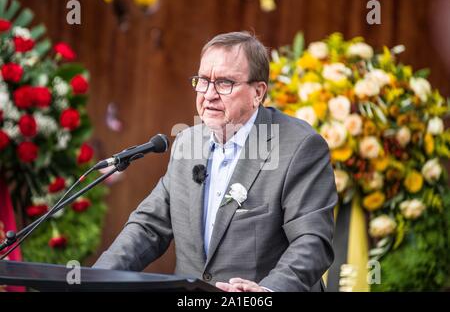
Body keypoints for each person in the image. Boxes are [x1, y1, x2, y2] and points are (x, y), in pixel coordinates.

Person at [94, 31, 337, 292]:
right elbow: (148, 227)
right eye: (202, 81)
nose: (208, 94)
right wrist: (95, 279)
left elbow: (312, 240)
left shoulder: (298, 147)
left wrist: (268, 291)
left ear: (258, 92)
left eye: (224, 83)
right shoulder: (188, 142)